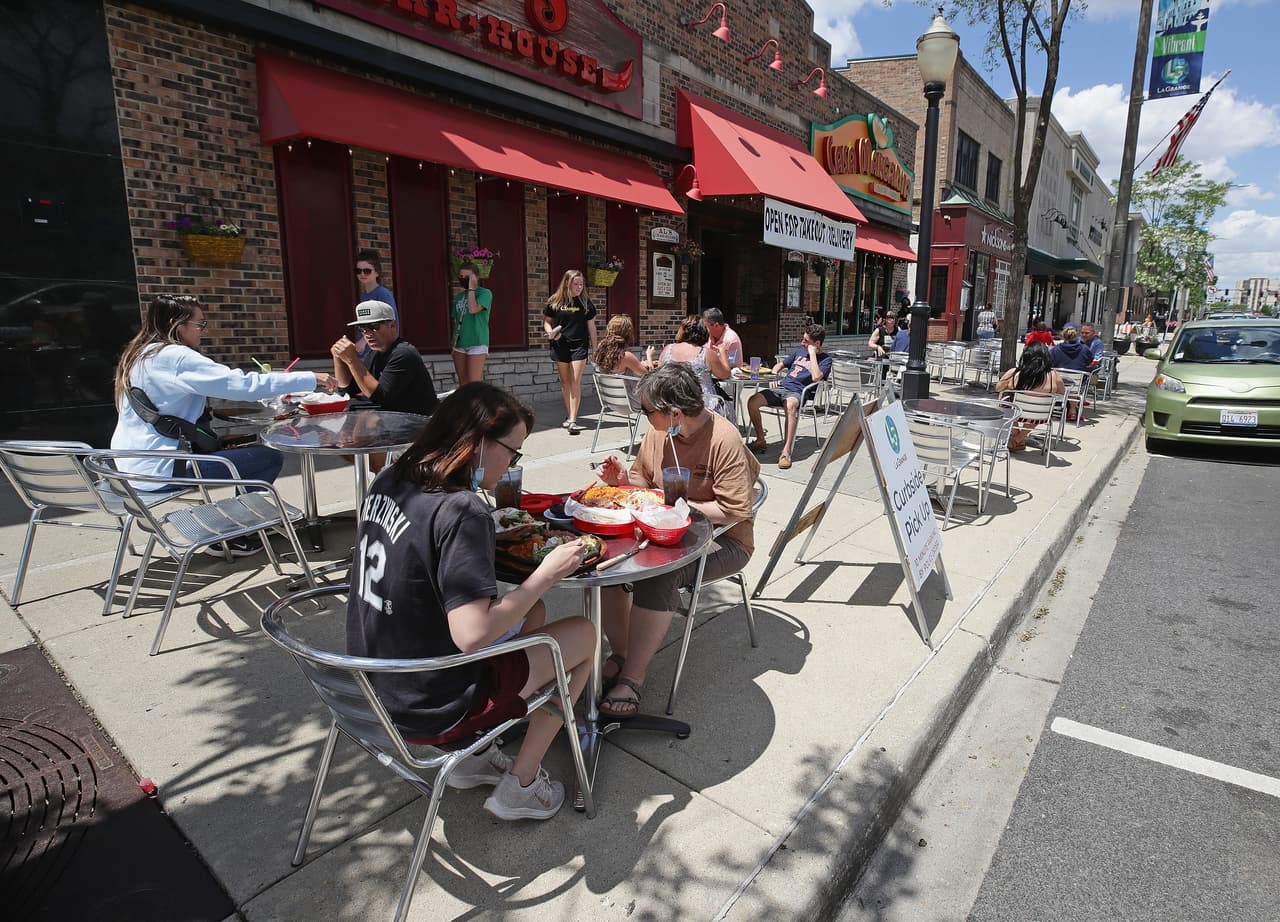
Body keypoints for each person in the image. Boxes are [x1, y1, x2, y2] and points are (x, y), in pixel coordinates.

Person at [347, 382, 595, 820]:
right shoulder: (462, 509)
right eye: (512, 452)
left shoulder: (390, 477)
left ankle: (475, 754)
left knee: (533, 613)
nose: (512, 464)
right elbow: (472, 635)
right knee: (584, 635)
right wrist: (546, 574)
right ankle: (521, 783)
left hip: (372, 684)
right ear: (478, 443)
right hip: (431, 704)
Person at [594, 364, 759, 719]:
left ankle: (633, 678)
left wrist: (676, 508)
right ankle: (622, 654)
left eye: (646, 410)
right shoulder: (659, 433)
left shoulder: (723, 439)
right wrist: (624, 481)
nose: (642, 416)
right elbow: (643, 480)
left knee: (660, 575)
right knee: (608, 561)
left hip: (725, 540)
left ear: (675, 413)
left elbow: (734, 510)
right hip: (664, 536)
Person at [112, 295, 334, 552]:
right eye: (200, 324)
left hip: (130, 468)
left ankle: (243, 523)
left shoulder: (140, 355)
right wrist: (310, 378)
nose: (204, 331)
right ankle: (231, 534)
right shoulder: (175, 357)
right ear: (176, 325)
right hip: (161, 469)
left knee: (244, 450)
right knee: (268, 458)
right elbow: (242, 385)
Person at [746, 323, 832, 470]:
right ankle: (760, 440)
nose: (802, 343)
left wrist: (812, 354)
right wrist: (774, 375)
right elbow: (779, 365)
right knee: (752, 401)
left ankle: (786, 452)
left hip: (798, 392)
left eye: (806, 341)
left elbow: (816, 377)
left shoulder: (825, 360)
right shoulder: (799, 352)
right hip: (781, 388)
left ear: (817, 344)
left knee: (790, 405)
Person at [331, 300, 439, 416]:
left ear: (392, 325)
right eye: (362, 328)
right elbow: (348, 391)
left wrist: (352, 360)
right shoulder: (374, 354)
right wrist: (338, 356)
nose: (367, 334)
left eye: (374, 327)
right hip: (394, 420)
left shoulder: (403, 353)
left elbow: (380, 397)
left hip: (418, 422)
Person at [542, 270, 598, 434]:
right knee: (565, 382)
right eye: (576, 284)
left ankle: (573, 419)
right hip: (560, 344)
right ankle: (569, 415)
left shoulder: (586, 303)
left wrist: (595, 348)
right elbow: (547, 321)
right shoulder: (555, 301)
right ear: (567, 283)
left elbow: (591, 327)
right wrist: (550, 332)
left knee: (575, 381)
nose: (579, 287)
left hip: (579, 345)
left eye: (581, 284)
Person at [995, 342, 1065, 451]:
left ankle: (1016, 438)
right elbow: (1061, 393)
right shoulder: (1054, 375)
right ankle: (1019, 439)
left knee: (1005, 403)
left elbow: (998, 388)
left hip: (1017, 413)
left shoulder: (1015, 373)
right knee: (1040, 408)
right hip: (1041, 416)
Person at [658, 316, 731, 418]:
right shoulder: (706, 354)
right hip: (701, 406)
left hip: (670, 403)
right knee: (729, 405)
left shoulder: (667, 349)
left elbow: (659, 375)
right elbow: (725, 374)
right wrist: (723, 352)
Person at [452, 262, 492, 386]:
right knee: (463, 384)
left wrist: (471, 289)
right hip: (460, 342)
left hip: (477, 341)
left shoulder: (484, 293)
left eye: (467, 277)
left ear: (476, 277)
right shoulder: (458, 297)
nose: (464, 279)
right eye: (461, 276)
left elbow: (473, 309)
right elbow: (456, 320)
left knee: (473, 384)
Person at [354, 249, 398, 359]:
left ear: (377, 272)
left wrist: (363, 341)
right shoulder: (361, 296)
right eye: (358, 271)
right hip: (364, 354)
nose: (362, 274)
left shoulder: (383, 294)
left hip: (379, 353)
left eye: (367, 271)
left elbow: (389, 324)